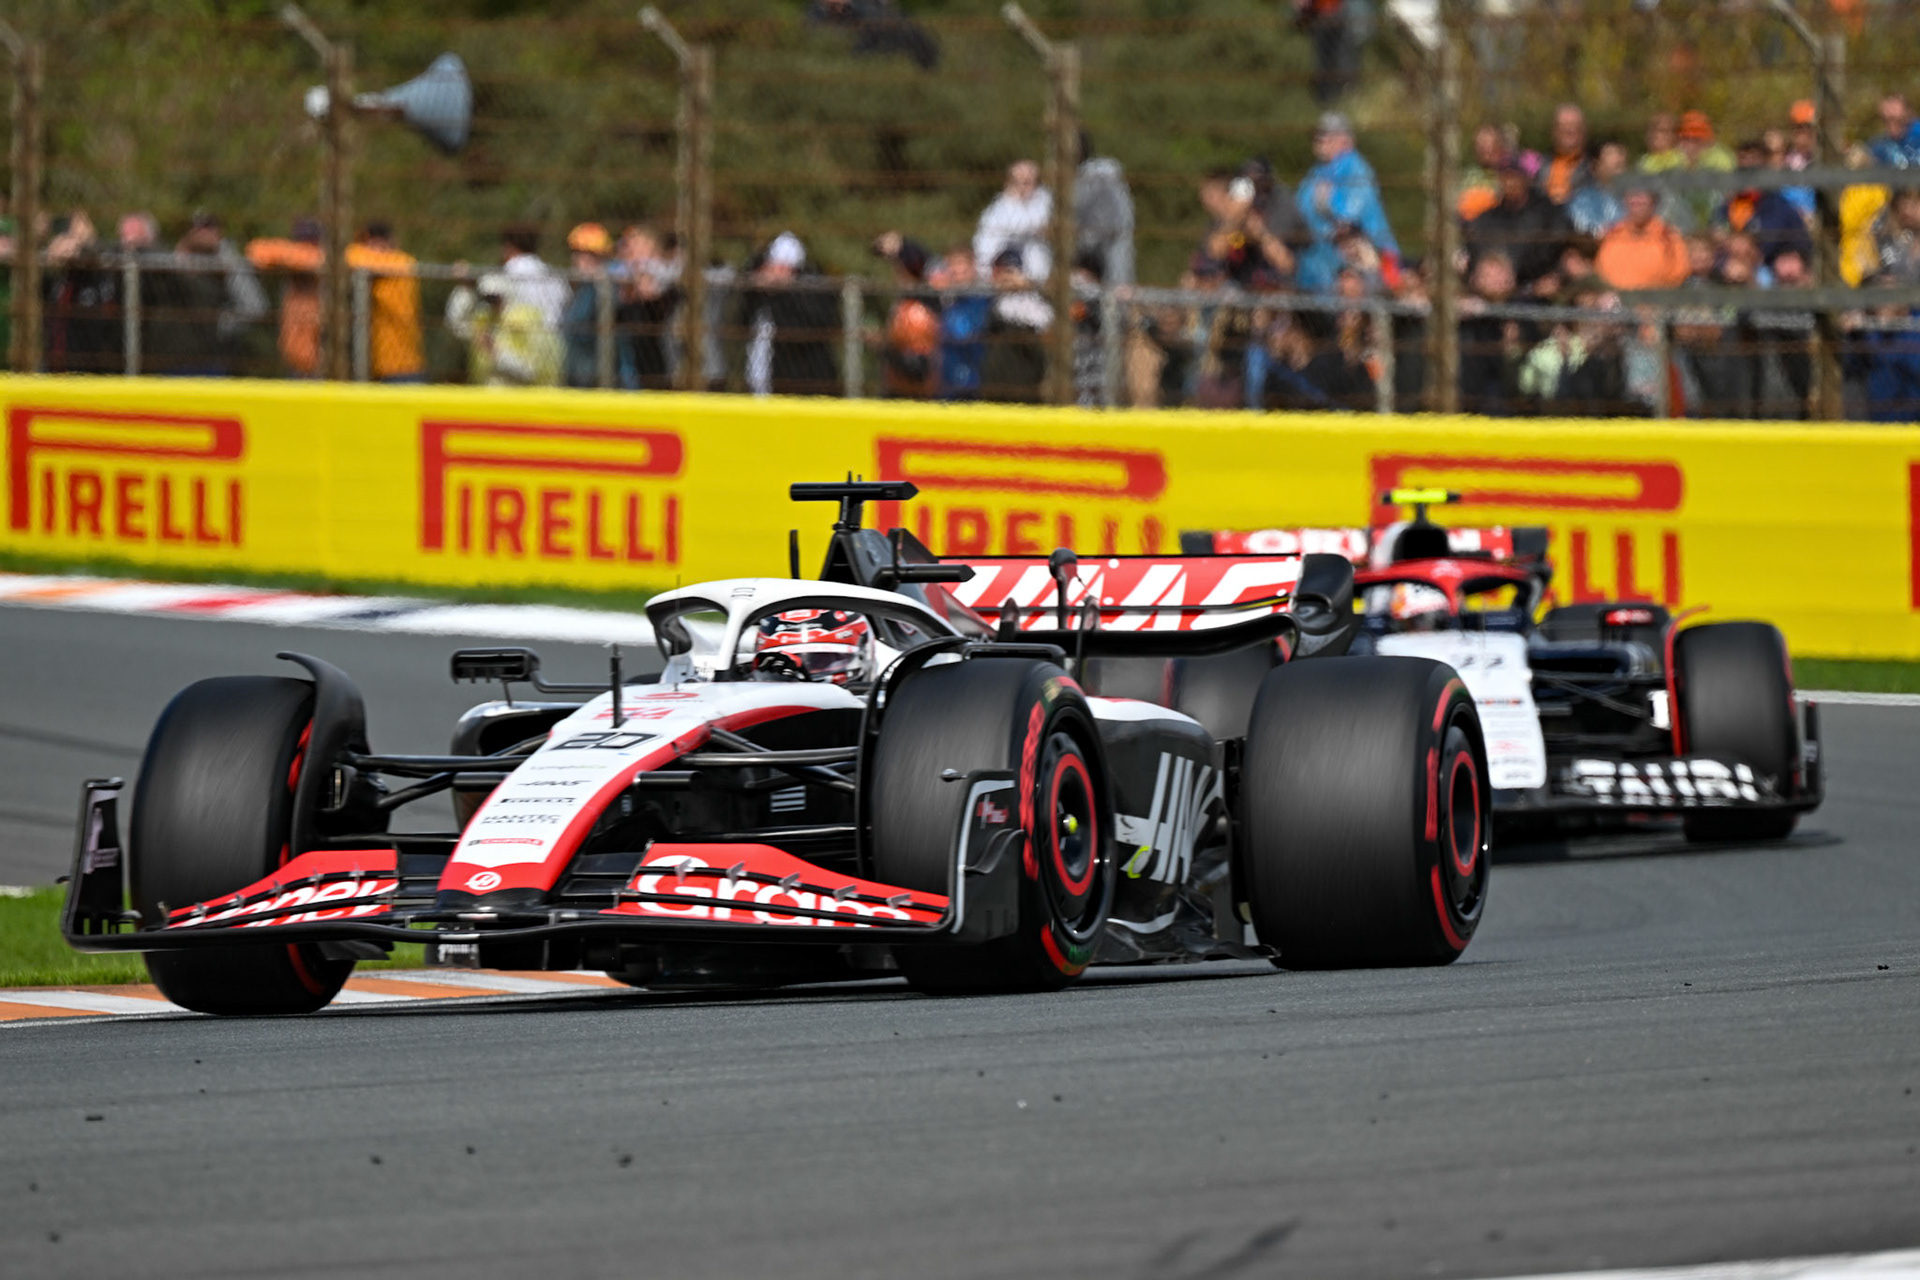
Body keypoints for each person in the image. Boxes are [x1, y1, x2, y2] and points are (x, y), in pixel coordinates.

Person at [151, 211, 266, 377]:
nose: (204, 233)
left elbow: (254, 306)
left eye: (209, 227)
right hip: (174, 354)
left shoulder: (229, 263)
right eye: (199, 228)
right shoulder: (180, 259)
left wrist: (221, 325)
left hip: (213, 355)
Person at [1295, 112, 1399, 293]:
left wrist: (1329, 203)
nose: (1320, 141)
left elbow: (1353, 213)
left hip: (1363, 257)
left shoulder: (1357, 169)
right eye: (1317, 137)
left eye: (1326, 136)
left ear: (1345, 140)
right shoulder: (1317, 172)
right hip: (1320, 259)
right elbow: (1298, 209)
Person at [741, 231, 838, 396]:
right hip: (763, 383)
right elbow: (742, 317)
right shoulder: (761, 299)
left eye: (780, 268)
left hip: (800, 382)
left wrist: (781, 290)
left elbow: (809, 329)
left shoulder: (809, 294)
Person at [445, 270, 562, 386]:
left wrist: (497, 354)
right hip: (486, 394)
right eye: (487, 298)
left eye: (495, 298)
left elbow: (530, 372)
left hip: (519, 398)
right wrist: (465, 289)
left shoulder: (526, 319)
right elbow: (455, 324)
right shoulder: (484, 319)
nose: (491, 303)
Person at [1466, 159, 1571, 289]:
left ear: (1526, 180)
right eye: (1505, 177)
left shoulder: (1549, 215)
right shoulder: (1486, 219)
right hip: (1492, 288)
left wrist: (1556, 276)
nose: (1510, 183)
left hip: (1538, 288)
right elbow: (1476, 253)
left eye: (1514, 177)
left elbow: (1560, 251)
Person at [42, 210, 123, 374]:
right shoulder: (59, 279)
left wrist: (84, 245)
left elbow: (97, 255)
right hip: (58, 365)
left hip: (95, 368)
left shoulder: (98, 270)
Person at [1713, 140, 1814, 269]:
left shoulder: (1778, 207)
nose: (1748, 166)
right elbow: (1715, 231)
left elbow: (1768, 246)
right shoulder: (1728, 205)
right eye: (1743, 169)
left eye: (1753, 165)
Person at [345, 221, 425, 382]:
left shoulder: (400, 263)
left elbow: (350, 256)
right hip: (378, 367)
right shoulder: (376, 270)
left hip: (403, 368)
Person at [245, 216, 325, 376]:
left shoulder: (327, 260)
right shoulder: (292, 257)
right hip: (296, 354)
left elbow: (318, 259)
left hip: (322, 352)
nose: (306, 248)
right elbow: (255, 252)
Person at [1456, 252, 1529, 416]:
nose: (1492, 281)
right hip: (1468, 392)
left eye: (1497, 276)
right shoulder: (1467, 311)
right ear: (1475, 279)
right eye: (1487, 276)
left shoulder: (1521, 310)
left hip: (1505, 395)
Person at [872, 233, 939, 399]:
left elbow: (917, 367)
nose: (895, 273)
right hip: (899, 388)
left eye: (899, 268)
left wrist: (882, 347)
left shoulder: (917, 312)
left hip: (911, 394)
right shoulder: (904, 304)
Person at [980, 247, 1051, 403]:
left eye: (1010, 272)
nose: (1006, 278)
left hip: (1027, 382)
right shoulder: (991, 301)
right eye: (1001, 272)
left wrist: (1028, 286)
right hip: (997, 381)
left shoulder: (1035, 303)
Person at [614, 224, 681, 388]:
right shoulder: (629, 269)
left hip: (659, 344)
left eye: (637, 243)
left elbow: (649, 292)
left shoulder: (662, 270)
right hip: (635, 344)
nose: (630, 248)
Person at [1596, 184, 1689, 291]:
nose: (1637, 201)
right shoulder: (1611, 235)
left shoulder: (1669, 236)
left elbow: (1679, 276)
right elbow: (1600, 273)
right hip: (1613, 302)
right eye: (1631, 195)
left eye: (1642, 196)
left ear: (1654, 201)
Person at [974, 160, 1052, 282]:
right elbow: (986, 245)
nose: (1022, 187)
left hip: (1044, 271)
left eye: (1027, 182)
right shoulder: (997, 210)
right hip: (1009, 276)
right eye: (1017, 182)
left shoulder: (1046, 201)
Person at [1074, 132, 1134, 286]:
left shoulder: (1100, 174)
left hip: (1111, 245)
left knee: (1115, 297)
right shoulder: (1069, 177)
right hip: (1083, 249)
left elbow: (1109, 220)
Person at [561, 222, 614, 388]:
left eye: (586, 254)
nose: (578, 259)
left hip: (592, 369)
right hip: (573, 366)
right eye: (576, 253)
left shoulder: (606, 286)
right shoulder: (579, 287)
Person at [1291, 0, 1369, 106]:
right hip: (1326, 14)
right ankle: (1332, 96)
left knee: (1339, 55)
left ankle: (1340, 93)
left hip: (1332, 13)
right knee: (1331, 57)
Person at [498, 224, 568, 331]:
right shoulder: (551, 271)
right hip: (555, 332)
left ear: (509, 246)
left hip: (524, 334)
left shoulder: (512, 268)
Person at [1568, 141, 1629, 237]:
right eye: (1610, 154)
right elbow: (1585, 229)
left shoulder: (1636, 196)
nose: (1618, 159)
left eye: (1620, 153)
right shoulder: (1582, 199)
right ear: (1596, 164)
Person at [1539, 103, 1593, 206]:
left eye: (1574, 125)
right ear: (1554, 131)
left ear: (1584, 130)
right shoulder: (1539, 166)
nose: (1569, 130)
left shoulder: (1594, 168)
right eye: (1563, 125)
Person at [1869, 92, 1920, 169]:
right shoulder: (1882, 144)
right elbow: (1868, 158)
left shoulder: (1917, 134)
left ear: (1908, 113)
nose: (1892, 124)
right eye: (1886, 120)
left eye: (1897, 119)